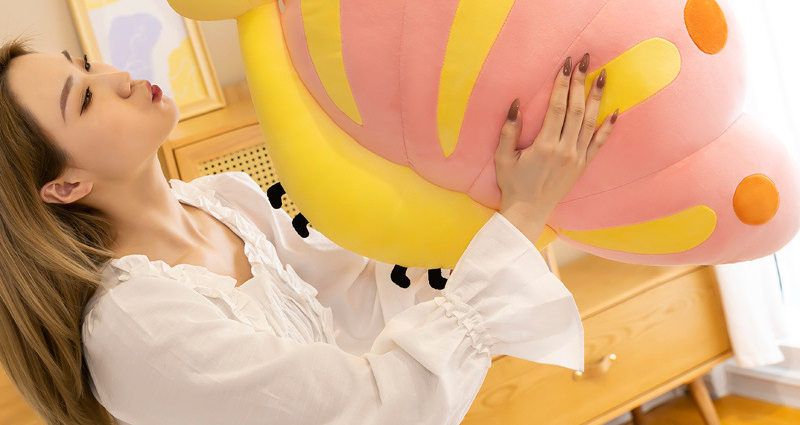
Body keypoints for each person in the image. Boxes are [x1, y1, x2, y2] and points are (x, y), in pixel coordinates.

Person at [0, 39, 617, 425]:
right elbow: (373, 407)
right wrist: (522, 216)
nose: (116, 78)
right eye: (84, 100)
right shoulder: (137, 324)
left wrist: (494, 202)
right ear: (65, 186)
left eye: (85, 64)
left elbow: (364, 299)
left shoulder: (224, 201)